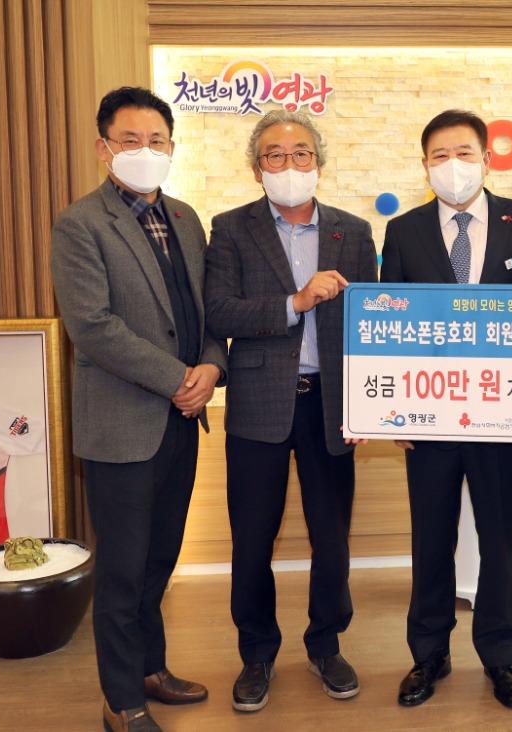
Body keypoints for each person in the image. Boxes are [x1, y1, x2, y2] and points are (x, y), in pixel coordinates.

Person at [50, 87, 227, 732]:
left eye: (156, 141)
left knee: (160, 559)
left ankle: (152, 668)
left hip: (181, 419)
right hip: (123, 425)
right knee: (123, 569)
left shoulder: (185, 218)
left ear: (172, 148)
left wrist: (212, 367)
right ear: (104, 148)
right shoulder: (80, 224)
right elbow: (92, 326)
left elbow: (206, 310)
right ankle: (122, 698)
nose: (144, 151)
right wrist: (179, 377)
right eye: (130, 140)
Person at [380, 109, 512, 709]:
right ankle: (428, 655)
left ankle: (501, 657)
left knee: (501, 541)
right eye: (439, 155)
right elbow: (391, 327)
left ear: (486, 159)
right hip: (428, 417)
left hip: (503, 417)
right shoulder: (403, 231)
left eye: (463, 153)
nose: (451, 165)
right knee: (430, 539)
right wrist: (393, 412)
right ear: (424, 164)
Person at [204, 110, 378, 713]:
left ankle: (326, 644)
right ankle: (256, 653)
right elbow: (219, 311)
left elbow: (371, 323)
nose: (289, 164)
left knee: (332, 537)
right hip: (259, 404)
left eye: (301, 153)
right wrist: (294, 302)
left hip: (332, 405)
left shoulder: (353, 232)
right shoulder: (231, 228)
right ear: (257, 169)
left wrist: (368, 405)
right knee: (253, 537)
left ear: (318, 163)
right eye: (275, 155)